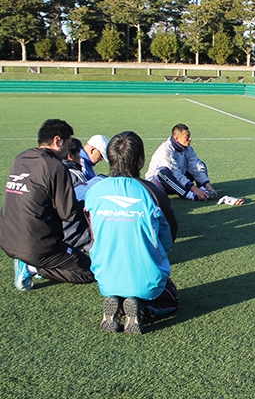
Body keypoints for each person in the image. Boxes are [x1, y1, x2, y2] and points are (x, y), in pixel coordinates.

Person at [85, 131, 180, 334]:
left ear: (110, 159)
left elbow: (92, 235)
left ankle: (117, 301)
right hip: (147, 278)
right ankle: (141, 305)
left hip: (105, 276)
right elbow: (168, 237)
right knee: (171, 298)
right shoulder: (153, 193)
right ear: (141, 161)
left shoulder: (94, 192)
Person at [0, 119, 94, 291]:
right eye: (67, 144)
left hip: (6, 238)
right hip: (39, 245)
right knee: (90, 272)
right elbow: (69, 214)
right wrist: (91, 203)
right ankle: (31, 267)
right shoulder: (55, 167)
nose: (68, 150)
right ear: (57, 141)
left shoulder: (19, 158)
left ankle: (30, 262)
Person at [145, 123, 219, 201]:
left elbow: (195, 167)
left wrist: (208, 185)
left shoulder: (188, 149)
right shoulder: (165, 151)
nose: (190, 139)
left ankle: (204, 190)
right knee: (163, 171)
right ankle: (191, 195)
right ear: (176, 138)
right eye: (187, 137)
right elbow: (175, 174)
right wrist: (194, 189)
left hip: (176, 183)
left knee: (200, 164)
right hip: (159, 185)